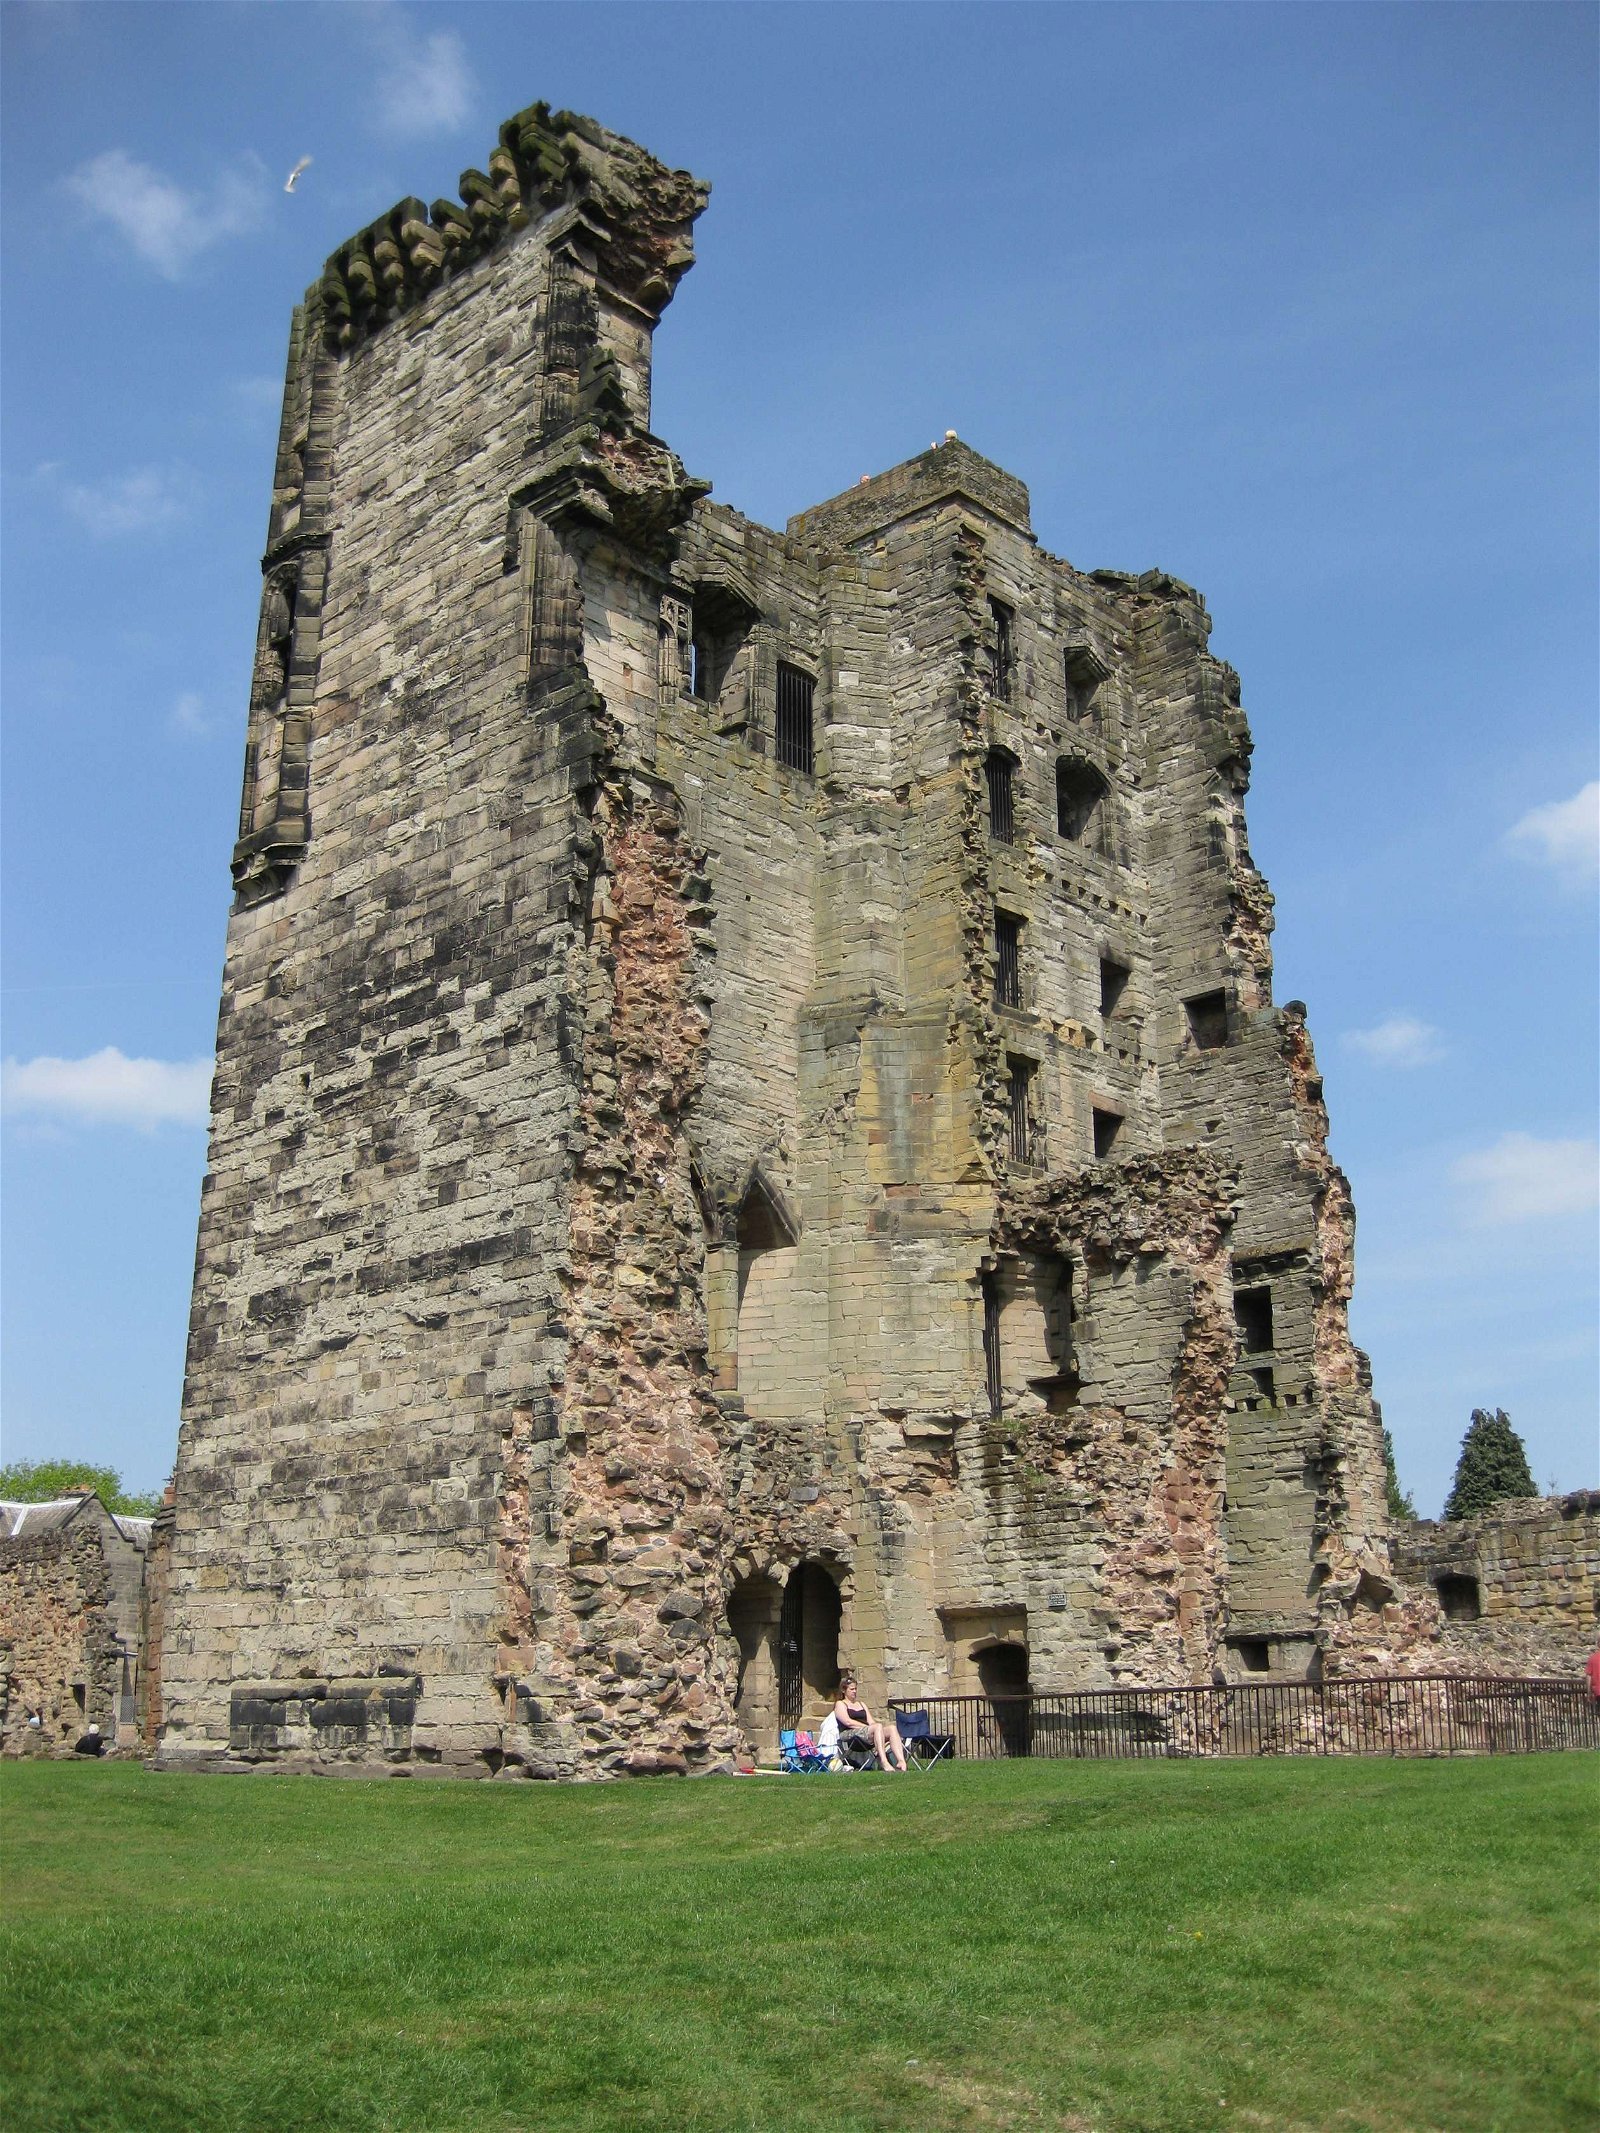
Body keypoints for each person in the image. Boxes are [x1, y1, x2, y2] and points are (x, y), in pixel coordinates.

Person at [832, 1675, 907, 1772]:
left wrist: (875, 1728)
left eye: (855, 1689)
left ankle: (901, 1762)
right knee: (877, 1727)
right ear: (843, 1690)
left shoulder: (861, 1704)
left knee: (891, 1728)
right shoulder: (840, 1704)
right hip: (850, 1735)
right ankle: (884, 1762)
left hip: (867, 1733)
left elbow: (871, 1722)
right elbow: (848, 1722)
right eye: (851, 1689)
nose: (854, 1691)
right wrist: (868, 1727)